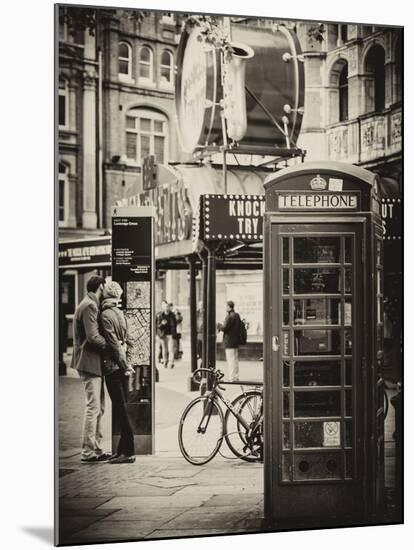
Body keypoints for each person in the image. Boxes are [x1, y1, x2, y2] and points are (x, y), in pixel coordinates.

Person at [72, 275, 112, 463]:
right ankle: (88, 452)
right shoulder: (90, 305)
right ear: (100, 286)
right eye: (105, 287)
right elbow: (93, 337)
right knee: (93, 407)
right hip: (89, 363)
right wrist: (112, 345)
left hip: (93, 363)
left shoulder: (89, 303)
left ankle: (96, 448)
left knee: (99, 408)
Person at [99, 281, 136, 464]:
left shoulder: (105, 314)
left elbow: (113, 344)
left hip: (113, 368)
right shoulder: (120, 313)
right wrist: (128, 363)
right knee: (122, 407)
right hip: (122, 367)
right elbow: (128, 340)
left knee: (121, 409)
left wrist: (123, 364)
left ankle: (128, 451)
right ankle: (122, 449)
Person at [217, 300, 242, 382]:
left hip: (229, 342)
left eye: (226, 306)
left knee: (230, 360)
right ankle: (236, 376)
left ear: (229, 307)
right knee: (235, 360)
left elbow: (225, 328)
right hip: (235, 341)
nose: (225, 308)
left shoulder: (229, 316)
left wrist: (219, 325)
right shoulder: (237, 315)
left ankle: (231, 377)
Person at [156, 300, 177, 368]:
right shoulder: (160, 315)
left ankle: (171, 362)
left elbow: (175, 324)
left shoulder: (172, 315)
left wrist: (174, 333)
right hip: (163, 334)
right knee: (165, 349)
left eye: (167, 306)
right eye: (165, 306)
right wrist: (162, 324)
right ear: (163, 307)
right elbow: (158, 326)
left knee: (171, 349)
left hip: (171, 334)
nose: (166, 308)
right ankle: (165, 361)